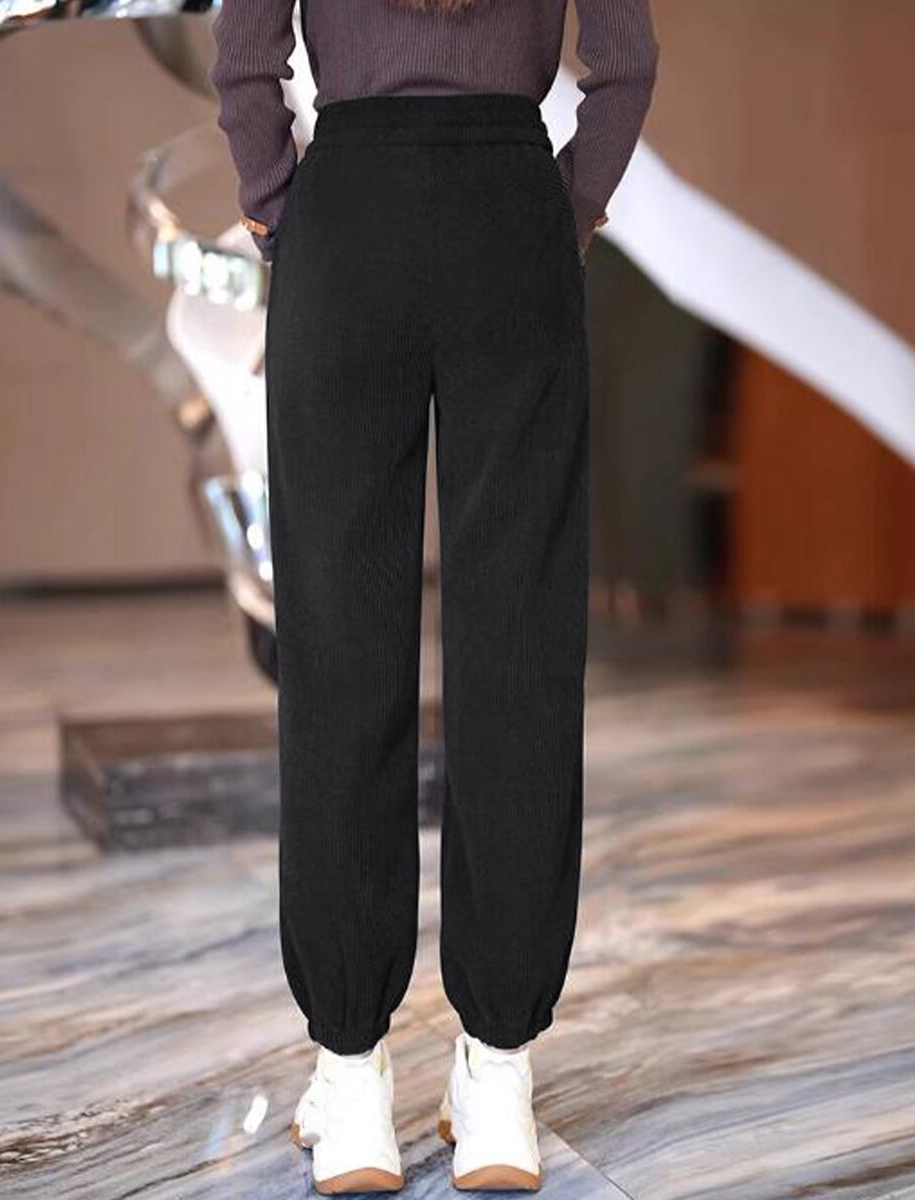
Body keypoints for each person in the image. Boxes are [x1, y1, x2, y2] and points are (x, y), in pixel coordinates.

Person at [211, 0, 658, 1191]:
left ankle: (352, 1078)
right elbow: (624, 64)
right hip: (510, 215)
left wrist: (279, 205)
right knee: (519, 651)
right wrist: (563, 207)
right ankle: (498, 1077)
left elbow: (246, 59)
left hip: (346, 217)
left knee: (338, 649)